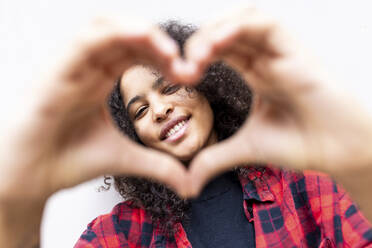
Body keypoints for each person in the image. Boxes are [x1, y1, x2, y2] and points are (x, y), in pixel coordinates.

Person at [2, 7, 372, 247]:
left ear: (207, 88)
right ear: (134, 136)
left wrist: (363, 162)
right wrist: (16, 210)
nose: (160, 109)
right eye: (141, 110)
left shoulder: (303, 185)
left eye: (170, 87)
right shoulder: (121, 234)